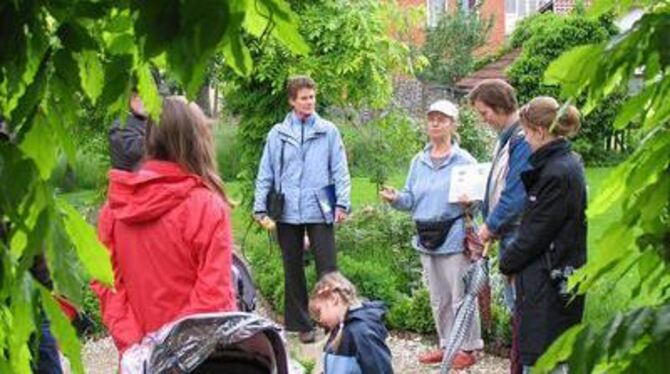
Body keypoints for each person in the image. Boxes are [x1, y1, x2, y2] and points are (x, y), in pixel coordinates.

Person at [92, 96, 237, 358]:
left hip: (142, 358)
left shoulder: (114, 210)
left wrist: (138, 345)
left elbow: (105, 285)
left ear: (149, 137)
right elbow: (214, 296)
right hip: (197, 357)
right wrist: (171, 348)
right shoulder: (206, 207)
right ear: (195, 139)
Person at [380, 100, 483, 368]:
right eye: (432, 118)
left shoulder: (464, 160)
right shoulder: (419, 160)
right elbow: (411, 199)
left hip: (453, 235)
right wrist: (395, 199)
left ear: (453, 124)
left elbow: (478, 203)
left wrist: (468, 202)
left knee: (461, 296)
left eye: (442, 119)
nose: (435, 123)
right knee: (439, 298)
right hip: (426, 237)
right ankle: (447, 344)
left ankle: (469, 349)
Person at [253, 75, 351, 343]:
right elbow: (266, 172)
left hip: (321, 207)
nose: (310, 102)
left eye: (312, 97)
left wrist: (342, 202)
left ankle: (336, 322)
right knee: (292, 267)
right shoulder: (278, 134)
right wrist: (260, 206)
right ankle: (302, 325)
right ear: (292, 101)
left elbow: (340, 169)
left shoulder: (328, 130)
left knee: (328, 269)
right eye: (304, 98)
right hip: (287, 210)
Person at [499, 97, 586, 373]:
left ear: (539, 130)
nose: (524, 139)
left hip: (548, 280)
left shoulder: (555, 173)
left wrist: (506, 263)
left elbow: (534, 233)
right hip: (554, 275)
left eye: (525, 132)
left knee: (544, 359)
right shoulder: (565, 163)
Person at [469, 79, 532, 374]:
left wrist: (489, 226)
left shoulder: (520, 140)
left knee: (523, 310)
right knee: (517, 310)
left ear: (500, 106)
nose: (484, 120)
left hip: (518, 235)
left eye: (485, 113)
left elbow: (515, 194)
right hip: (507, 234)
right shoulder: (507, 139)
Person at [309, 271, 393, 374]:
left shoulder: (361, 331)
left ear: (333, 299)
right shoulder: (340, 328)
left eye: (319, 312)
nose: (320, 320)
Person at [109, 88, 147, 171]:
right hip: (130, 181)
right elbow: (133, 150)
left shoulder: (147, 121)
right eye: (142, 97)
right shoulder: (119, 126)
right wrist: (163, 135)